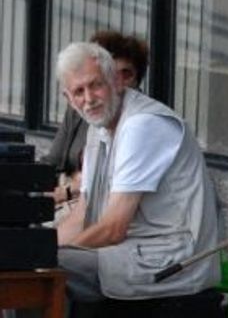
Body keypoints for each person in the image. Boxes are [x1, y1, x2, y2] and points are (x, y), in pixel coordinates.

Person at [3, 41, 220, 318]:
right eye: (79, 92)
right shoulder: (99, 129)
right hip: (129, 252)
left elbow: (113, 225)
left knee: (44, 266)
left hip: (170, 262)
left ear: (115, 81)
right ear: (67, 99)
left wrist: (48, 252)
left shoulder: (142, 125)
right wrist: (36, 247)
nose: (89, 98)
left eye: (95, 86)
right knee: (23, 264)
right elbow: (85, 214)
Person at [43, 30, 150, 209]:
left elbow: (111, 193)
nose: (120, 82)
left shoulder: (140, 123)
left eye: (127, 74)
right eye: (112, 75)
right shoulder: (80, 112)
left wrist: (69, 190)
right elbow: (52, 161)